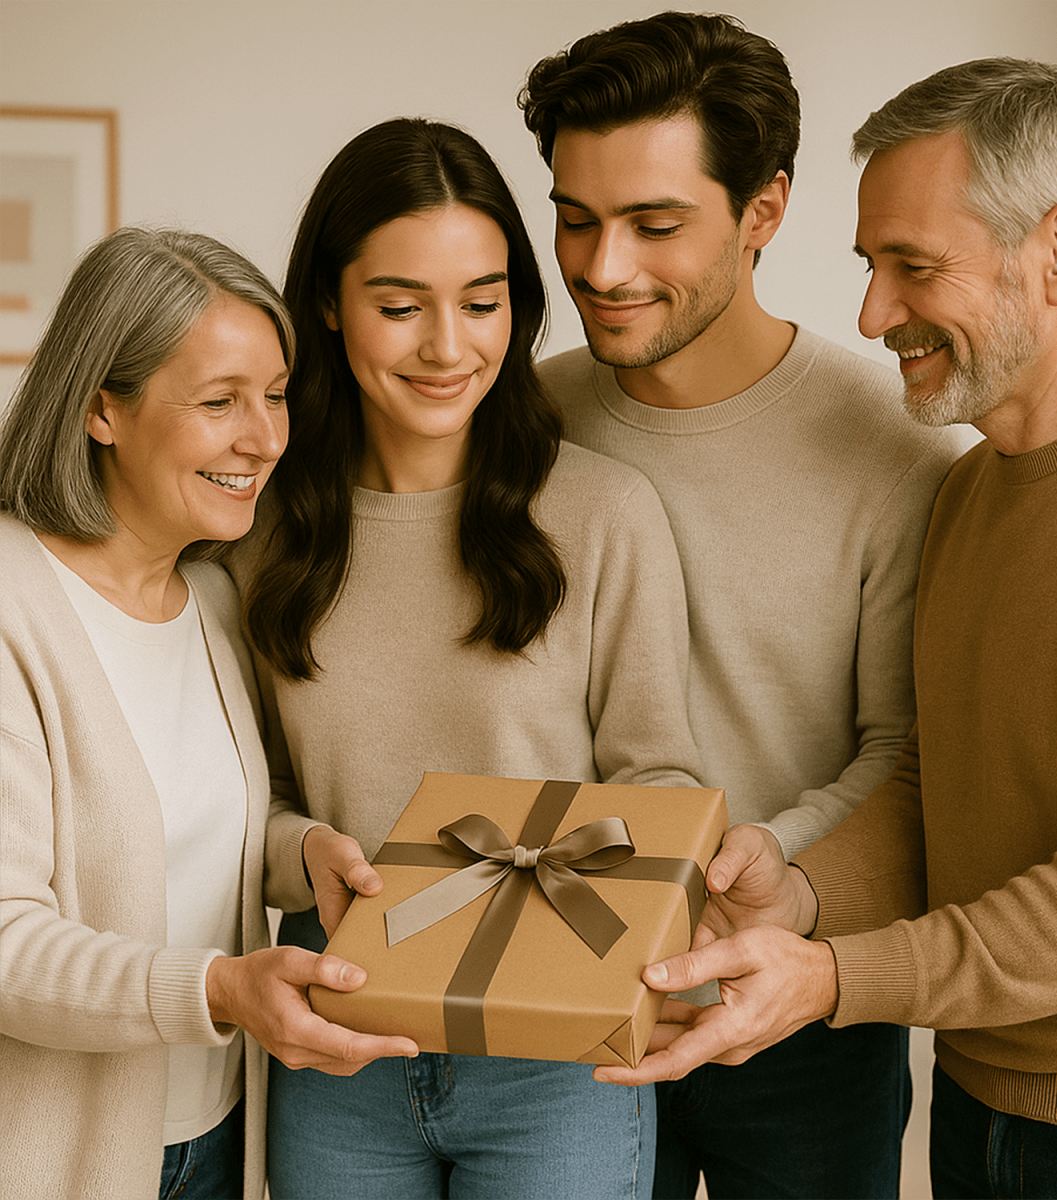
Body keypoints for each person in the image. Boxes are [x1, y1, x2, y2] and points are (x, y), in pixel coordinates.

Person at [590, 58, 1057, 1200]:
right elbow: (938, 780)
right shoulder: (973, 491)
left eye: (914, 269)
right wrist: (800, 890)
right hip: (983, 1104)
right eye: (873, 268)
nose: (872, 315)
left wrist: (832, 976)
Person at [519, 12, 968, 1199]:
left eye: (655, 224)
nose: (602, 267)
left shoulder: (898, 452)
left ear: (764, 210)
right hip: (559, 1005)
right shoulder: (517, 427)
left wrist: (740, 903)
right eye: (575, 217)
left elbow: (903, 750)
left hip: (804, 1011)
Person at [235, 117, 702, 1200]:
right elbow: (247, 801)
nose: (449, 346)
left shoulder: (602, 514)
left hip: (557, 1056)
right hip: (338, 1032)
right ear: (326, 308)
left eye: (482, 303)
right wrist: (301, 850)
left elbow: (658, 779)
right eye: (400, 307)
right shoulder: (259, 534)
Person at [0, 227, 415, 1200]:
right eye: (220, 402)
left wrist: (300, 850)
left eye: (273, 397)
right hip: (62, 1153)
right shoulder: (12, 607)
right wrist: (220, 989)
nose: (264, 438)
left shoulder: (214, 599)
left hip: (219, 1131)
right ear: (104, 408)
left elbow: (194, 823)